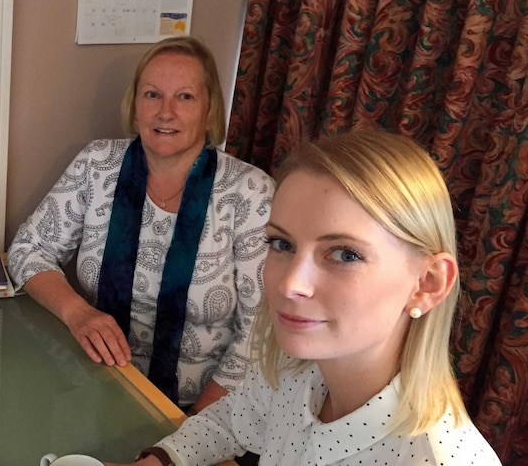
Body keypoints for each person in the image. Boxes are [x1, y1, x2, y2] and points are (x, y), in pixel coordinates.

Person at [109, 130, 501, 466]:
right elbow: (232, 419)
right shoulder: (297, 371)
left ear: (427, 283)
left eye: (346, 254)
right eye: (282, 243)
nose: (290, 284)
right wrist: (163, 459)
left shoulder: (439, 458)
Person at [7, 36, 274, 413]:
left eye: (185, 97)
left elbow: (262, 335)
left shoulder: (250, 193)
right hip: (97, 381)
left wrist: (187, 434)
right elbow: (28, 249)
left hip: (206, 409)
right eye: (152, 95)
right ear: (135, 108)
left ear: (209, 109)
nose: (166, 112)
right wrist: (77, 312)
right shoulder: (97, 164)